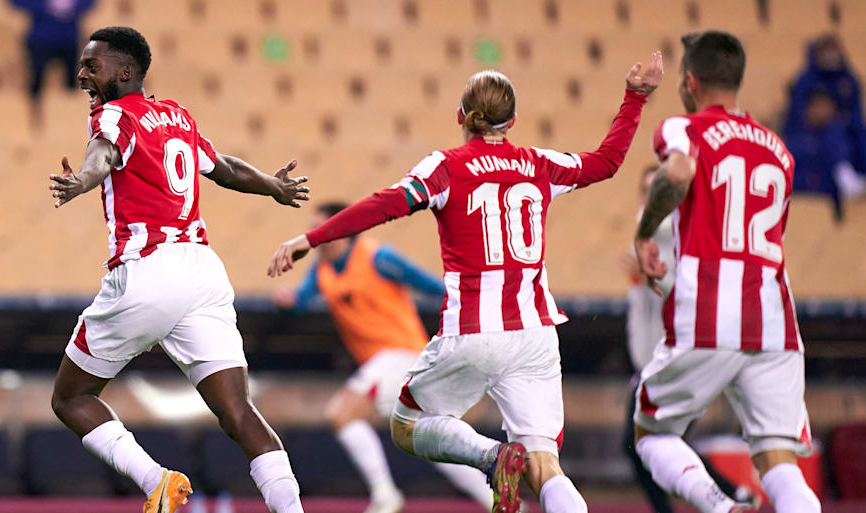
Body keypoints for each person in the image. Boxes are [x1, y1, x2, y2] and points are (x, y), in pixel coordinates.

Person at [269, 55, 663, 513]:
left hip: (475, 329)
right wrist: (635, 98)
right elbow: (607, 162)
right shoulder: (539, 164)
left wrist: (311, 238)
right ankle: (508, 461)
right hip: (536, 333)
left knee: (407, 424)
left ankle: (492, 457)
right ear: (512, 121)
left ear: (461, 115)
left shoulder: (445, 167)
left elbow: (385, 204)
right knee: (545, 466)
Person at [47, 27, 309, 513]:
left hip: (148, 270)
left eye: (92, 66)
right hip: (203, 271)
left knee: (71, 398)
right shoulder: (177, 115)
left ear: (125, 73)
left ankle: (156, 481)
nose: (81, 74)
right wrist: (273, 186)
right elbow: (224, 167)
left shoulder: (113, 115)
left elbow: (103, 154)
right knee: (238, 410)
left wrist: (83, 180)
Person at [633, 31, 821, 513]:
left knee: (651, 433)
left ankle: (720, 506)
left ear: (690, 81)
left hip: (710, 309)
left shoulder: (684, 128)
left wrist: (646, 231)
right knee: (779, 462)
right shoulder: (779, 149)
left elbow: (677, 174)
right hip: (774, 321)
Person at [275, 201, 495, 513]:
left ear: (342, 231)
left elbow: (429, 285)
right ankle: (496, 499)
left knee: (342, 413)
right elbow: (303, 298)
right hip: (386, 366)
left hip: (403, 356)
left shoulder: (378, 257)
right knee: (432, 442)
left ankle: (385, 495)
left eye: (320, 229)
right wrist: (290, 299)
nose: (313, 236)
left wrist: (471, 304)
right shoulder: (323, 269)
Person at [622, 166, 749, 512]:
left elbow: (689, 296)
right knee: (660, 443)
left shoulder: (680, 235)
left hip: (674, 360)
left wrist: (652, 277)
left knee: (644, 444)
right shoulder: (647, 236)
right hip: (653, 362)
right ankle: (732, 495)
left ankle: (723, 498)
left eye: (659, 191)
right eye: (647, 191)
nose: (652, 199)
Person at [785, 34, 866, 177]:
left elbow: (856, 115)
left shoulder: (849, 79)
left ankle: (849, 173)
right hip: (809, 132)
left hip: (842, 131)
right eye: (826, 50)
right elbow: (796, 114)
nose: (830, 56)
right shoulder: (805, 80)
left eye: (833, 50)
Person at [784, 87, 864, 222]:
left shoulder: (841, 135)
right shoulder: (795, 139)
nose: (823, 111)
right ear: (808, 109)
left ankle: (845, 173)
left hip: (833, 203)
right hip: (802, 201)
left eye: (827, 106)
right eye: (818, 106)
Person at [10, 0, 97, 117]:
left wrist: (72, 6)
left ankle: (67, 117)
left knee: (72, 85)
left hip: (69, 40)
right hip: (40, 40)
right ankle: (36, 113)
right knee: (36, 81)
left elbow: (89, 3)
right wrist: (43, 6)